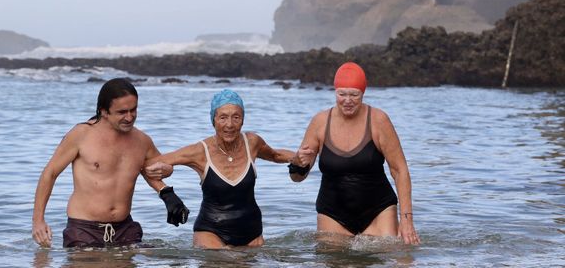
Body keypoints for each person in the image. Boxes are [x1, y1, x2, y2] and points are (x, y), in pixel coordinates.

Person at [32, 77, 189, 248]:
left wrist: (168, 194)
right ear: (104, 111)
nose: (129, 117)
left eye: (133, 110)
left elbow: (155, 170)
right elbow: (50, 173)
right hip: (84, 229)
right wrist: (38, 220)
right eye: (122, 112)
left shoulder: (142, 140)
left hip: (125, 229)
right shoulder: (81, 135)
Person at [144, 89, 295, 249]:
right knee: (224, 259)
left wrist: (299, 158)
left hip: (252, 233)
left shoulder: (252, 142)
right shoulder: (200, 151)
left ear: (243, 120)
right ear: (213, 120)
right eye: (223, 117)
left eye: (236, 117)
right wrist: (166, 189)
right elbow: (147, 165)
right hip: (211, 232)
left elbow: (276, 155)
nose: (229, 124)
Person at [289, 62, 420, 245]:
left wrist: (407, 220)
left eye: (354, 95)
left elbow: (400, 170)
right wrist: (297, 163)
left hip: (378, 211)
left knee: (397, 257)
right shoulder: (320, 122)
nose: (347, 100)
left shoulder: (378, 120)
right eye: (342, 94)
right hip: (332, 214)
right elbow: (297, 177)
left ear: (363, 93)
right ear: (335, 92)